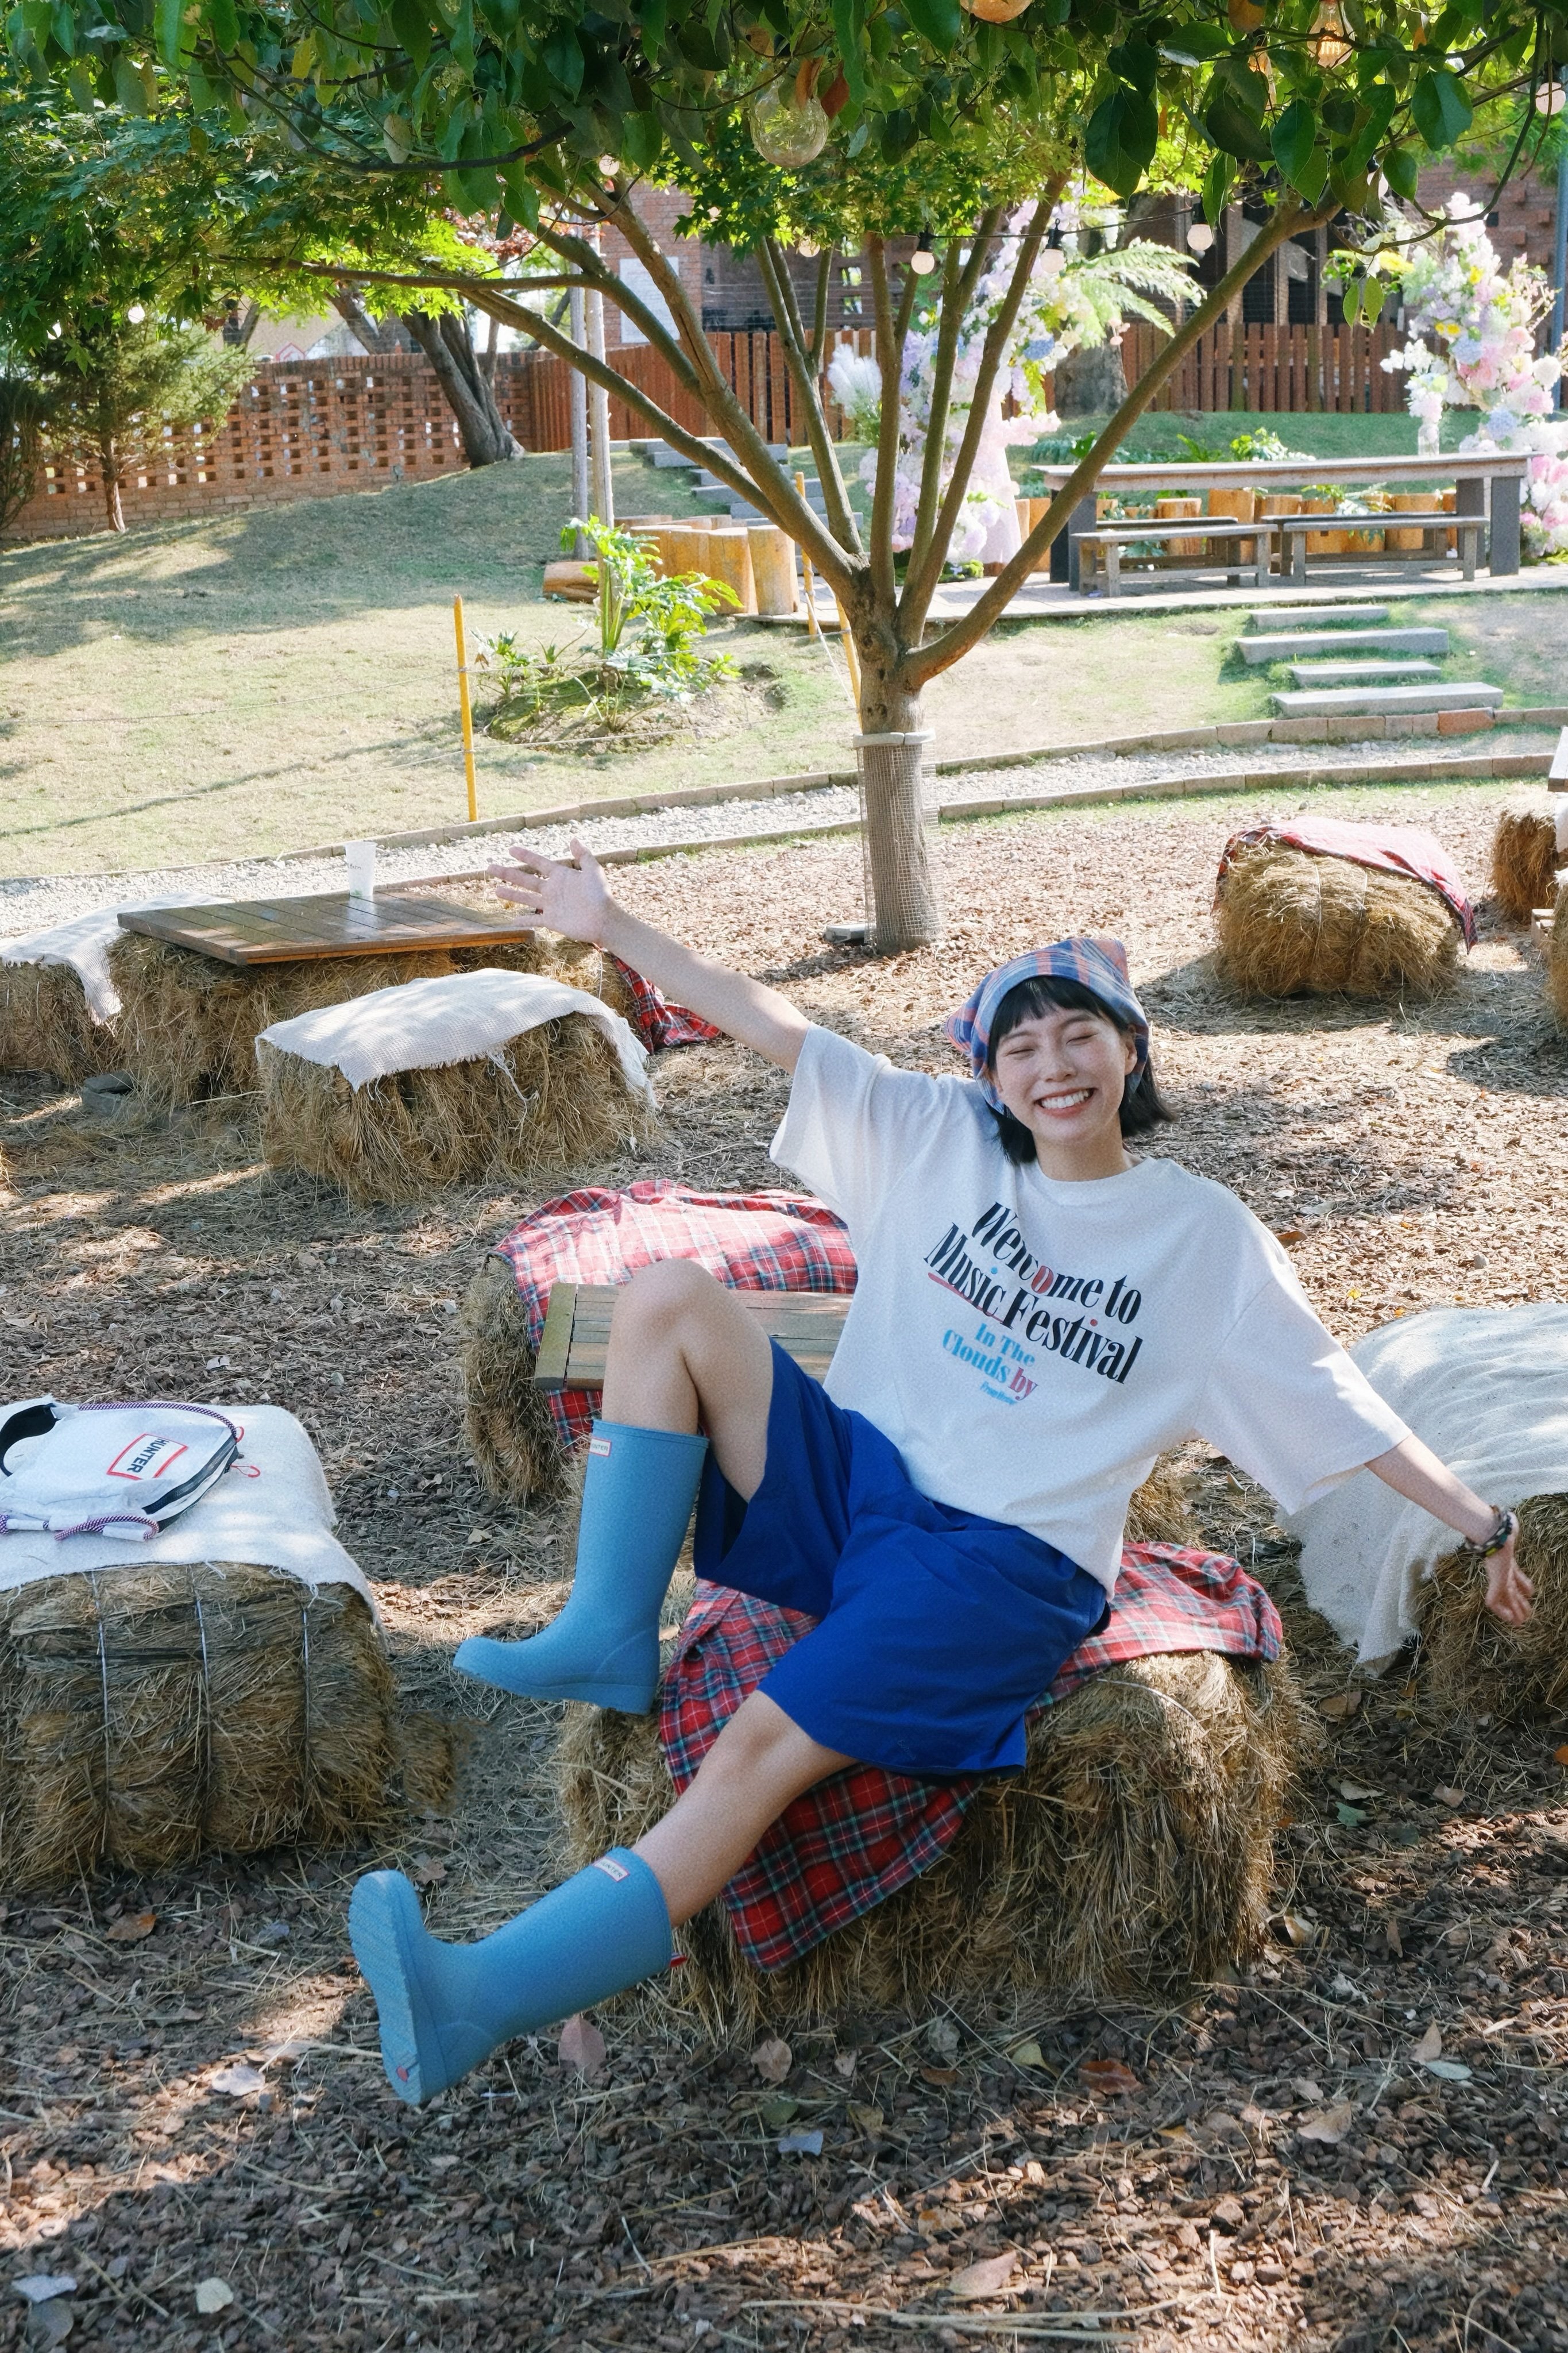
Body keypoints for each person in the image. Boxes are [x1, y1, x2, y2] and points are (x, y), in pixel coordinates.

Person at [349, 841, 1532, 2107]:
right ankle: (604, 1634)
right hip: (860, 1490)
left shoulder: (1202, 1241)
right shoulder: (939, 1137)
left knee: (754, 1747)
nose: (1052, 1064)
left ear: (1132, 1052)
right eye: (1021, 1045)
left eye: (1079, 1034)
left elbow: (1335, 1402)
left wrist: (1484, 1522)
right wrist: (613, 923)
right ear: (989, 1072)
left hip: (999, 1569)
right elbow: (770, 1021)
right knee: (668, 1298)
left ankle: (479, 1998)